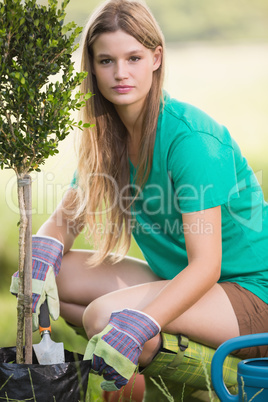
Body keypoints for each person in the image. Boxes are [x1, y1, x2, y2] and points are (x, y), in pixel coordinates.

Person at [11, 0, 268, 394]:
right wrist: (44, 247)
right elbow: (67, 218)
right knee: (51, 278)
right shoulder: (108, 137)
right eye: (106, 61)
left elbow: (207, 266)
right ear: (92, 68)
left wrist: (143, 321)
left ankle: (218, 374)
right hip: (178, 279)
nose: (120, 73)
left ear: (156, 58)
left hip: (251, 292)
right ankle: (142, 362)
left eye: (133, 57)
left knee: (103, 316)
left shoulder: (190, 140)